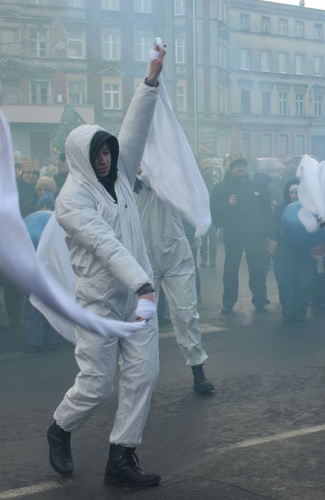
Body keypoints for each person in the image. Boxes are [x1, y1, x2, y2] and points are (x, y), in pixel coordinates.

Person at [46, 44, 166, 487]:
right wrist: (142, 282)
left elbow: (135, 129)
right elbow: (106, 244)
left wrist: (150, 81)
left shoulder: (120, 174)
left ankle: (122, 456)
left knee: (143, 375)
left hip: (139, 299)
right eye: (97, 153)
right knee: (96, 386)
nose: (105, 158)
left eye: (108, 151)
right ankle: (59, 429)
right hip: (100, 304)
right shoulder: (70, 201)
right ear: (82, 157)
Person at [134, 173, 215, 394]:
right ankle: (134, 379)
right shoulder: (124, 175)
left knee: (186, 315)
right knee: (141, 319)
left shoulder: (167, 173)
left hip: (175, 255)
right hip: (143, 258)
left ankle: (198, 372)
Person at [210, 153, 275, 314]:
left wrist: (268, 231)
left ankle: (260, 300)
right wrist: (228, 204)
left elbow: (266, 210)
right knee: (231, 270)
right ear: (231, 168)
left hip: (255, 234)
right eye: (238, 165)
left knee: (257, 269)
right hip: (234, 235)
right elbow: (213, 210)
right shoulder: (221, 187)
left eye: (244, 165)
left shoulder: (256, 185)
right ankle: (228, 302)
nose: (242, 168)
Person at [23, 193, 64, 353]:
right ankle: (34, 342)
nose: (45, 210)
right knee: (35, 308)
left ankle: (53, 339)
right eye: (42, 207)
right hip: (35, 274)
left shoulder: (58, 225)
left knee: (53, 309)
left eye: (48, 207)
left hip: (52, 273)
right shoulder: (31, 223)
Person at [273, 181, 316, 322]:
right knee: (286, 283)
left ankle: (301, 312)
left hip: (305, 252)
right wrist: (280, 231)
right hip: (285, 253)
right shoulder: (280, 208)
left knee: (304, 283)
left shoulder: (310, 208)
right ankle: (288, 313)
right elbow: (272, 223)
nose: (294, 195)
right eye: (291, 192)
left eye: (297, 192)